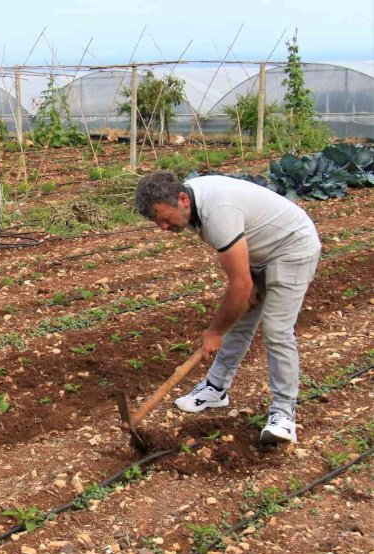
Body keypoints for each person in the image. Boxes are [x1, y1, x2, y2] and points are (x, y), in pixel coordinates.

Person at [134, 171, 321, 444]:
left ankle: (284, 414)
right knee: (239, 320)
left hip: (293, 248)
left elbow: (240, 285)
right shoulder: (191, 202)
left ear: (182, 199)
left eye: (164, 218)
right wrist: (241, 299)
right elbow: (242, 284)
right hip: (261, 250)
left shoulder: (217, 213)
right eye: (156, 221)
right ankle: (216, 388)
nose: (162, 227)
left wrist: (214, 332)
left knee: (277, 329)